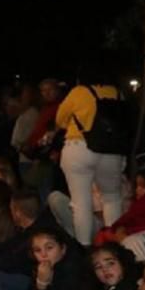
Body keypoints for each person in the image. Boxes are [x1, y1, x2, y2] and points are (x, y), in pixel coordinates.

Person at [55, 61, 127, 245]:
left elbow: (60, 119)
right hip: (111, 150)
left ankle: (84, 247)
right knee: (112, 198)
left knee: (81, 203)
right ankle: (112, 244)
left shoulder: (79, 92)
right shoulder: (117, 93)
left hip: (79, 147)